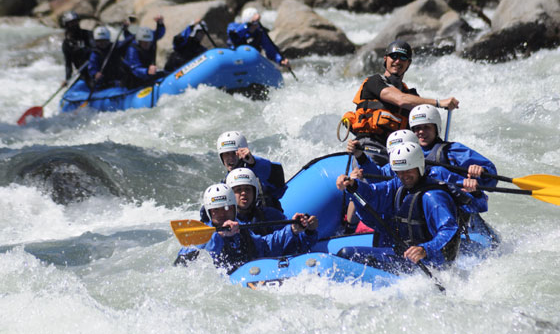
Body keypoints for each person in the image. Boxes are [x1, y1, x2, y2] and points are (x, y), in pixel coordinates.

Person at [336, 142, 461, 269]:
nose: (404, 176)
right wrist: (353, 185)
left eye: (408, 170)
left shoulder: (434, 197)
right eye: (400, 171)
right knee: (347, 254)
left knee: (347, 254)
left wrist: (425, 249)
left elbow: (449, 228)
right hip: (404, 256)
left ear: (419, 166)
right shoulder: (398, 184)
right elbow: (373, 194)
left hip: (429, 263)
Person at [341, 40, 460, 165]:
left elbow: (422, 131)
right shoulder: (374, 82)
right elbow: (400, 100)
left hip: (399, 152)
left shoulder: (413, 98)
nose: (397, 61)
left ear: (408, 63)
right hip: (370, 145)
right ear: (385, 59)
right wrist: (439, 103)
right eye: (394, 56)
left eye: (403, 58)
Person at [174, 183, 318, 273]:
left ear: (234, 209)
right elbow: (186, 258)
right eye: (216, 210)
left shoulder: (241, 230)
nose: (222, 213)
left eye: (226, 208)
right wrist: (220, 235)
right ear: (209, 213)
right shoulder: (202, 237)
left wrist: (292, 229)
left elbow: (265, 246)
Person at [408, 104, 498, 188]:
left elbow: (492, 178)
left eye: (426, 127)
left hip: (448, 199)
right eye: (417, 128)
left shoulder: (452, 150)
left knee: (438, 172)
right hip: (418, 200)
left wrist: (482, 170)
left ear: (436, 129)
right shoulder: (406, 153)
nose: (421, 132)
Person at [216, 131, 286, 210]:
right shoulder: (225, 183)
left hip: (267, 219)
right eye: (226, 154)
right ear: (221, 157)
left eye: (234, 153)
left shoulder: (259, 174)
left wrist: (254, 163)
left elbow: (279, 187)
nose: (231, 158)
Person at [122, 15, 166, 88]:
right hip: (133, 79)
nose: (147, 44)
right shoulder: (132, 50)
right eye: (144, 42)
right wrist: (147, 71)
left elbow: (159, 34)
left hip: (147, 74)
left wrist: (160, 24)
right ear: (139, 41)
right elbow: (135, 69)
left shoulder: (151, 39)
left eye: (148, 42)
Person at [87, 24, 134, 89]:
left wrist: (125, 30)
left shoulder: (115, 46)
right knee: (95, 83)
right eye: (99, 41)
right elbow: (92, 66)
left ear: (108, 40)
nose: (102, 43)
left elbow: (129, 39)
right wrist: (95, 74)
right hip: (105, 80)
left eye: (104, 40)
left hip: (118, 76)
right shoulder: (95, 53)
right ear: (96, 42)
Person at [60, 11, 94, 86]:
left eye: (75, 22)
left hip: (96, 68)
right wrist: (67, 79)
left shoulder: (88, 34)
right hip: (83, 73)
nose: (74, 25)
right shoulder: (66, 44)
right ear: (67, 25)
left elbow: (96, 51)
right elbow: (68, 64)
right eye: (71, 23)